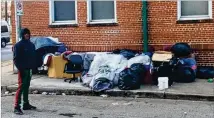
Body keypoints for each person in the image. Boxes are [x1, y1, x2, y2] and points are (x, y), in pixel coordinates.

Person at [13, 28, 37, 115]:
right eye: (25, 33)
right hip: (22, 70)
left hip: (29, 69)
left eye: (28, 33)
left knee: (26, 86)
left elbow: (33, 56)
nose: (27, 35)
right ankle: (16, 106)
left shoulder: (31, 45)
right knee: (21, 87)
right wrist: (20, 69)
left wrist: (34, 67)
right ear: (22, 35)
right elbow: (16, 59)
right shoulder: (18, 45)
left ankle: (26, 104)